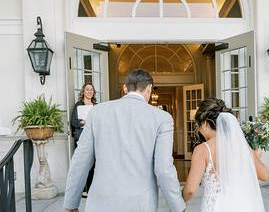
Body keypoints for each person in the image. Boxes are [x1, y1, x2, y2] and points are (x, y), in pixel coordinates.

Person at [64, 69, 185, 212]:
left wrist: (71, 204)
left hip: (100, 203)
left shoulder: (97, 112)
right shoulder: (162, 118)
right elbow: (164, 169)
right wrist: (178, 206)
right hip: (140, 204)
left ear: (125, 88)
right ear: (149, 89)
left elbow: (80, 161)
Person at [183, 98, 267, 212]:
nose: (198, 130)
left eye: (198, 125)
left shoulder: (203, 149)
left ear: (205, 123)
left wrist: (179, 200)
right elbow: (264, 175)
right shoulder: (241, 145)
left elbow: (191, 190)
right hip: (243, 206)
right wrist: (255, 155)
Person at [70, 82, 97, 197]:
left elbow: (99, 122)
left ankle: (90, 190)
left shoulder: (96, 106)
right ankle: (80, 190)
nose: (89, 91)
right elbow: (74, 122)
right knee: (81, 165)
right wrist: (84, 123)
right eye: (87, 89)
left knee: (92, 165)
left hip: (93, 138)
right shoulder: (78, 105)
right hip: (80, 138)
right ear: (83, 92)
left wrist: (90, 122)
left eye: (91, 90)